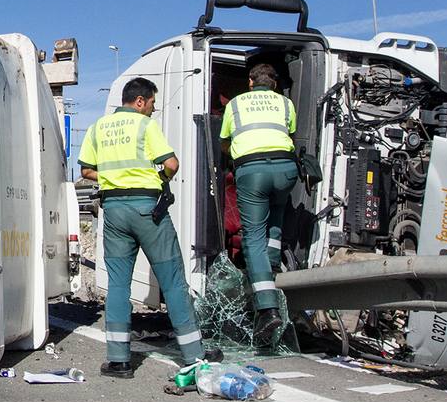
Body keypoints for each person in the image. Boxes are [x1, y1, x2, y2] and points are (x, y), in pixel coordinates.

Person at [79, 77, 219, 377]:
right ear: (140, 101)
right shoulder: (145, 126)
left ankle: (118, 360)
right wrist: (155, 179)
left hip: (114, 212)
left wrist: (115, 178)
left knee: (118, 285)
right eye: (153, 104)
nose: (153, 110)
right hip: (148, 211)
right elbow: (171, 164)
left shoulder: (96, 128)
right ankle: (194, 355)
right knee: (172, 280)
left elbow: (87, 170)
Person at [219, 62, 298, 343]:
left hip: (252, 172)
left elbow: (224, 141)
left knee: (252, 235)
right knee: (275, 219)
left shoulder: (236, 105)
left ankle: (267, 308)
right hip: (286, 170)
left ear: (250, 82)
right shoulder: (286, 104)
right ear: (274, 84)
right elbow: (289, 134)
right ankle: (273, 265)